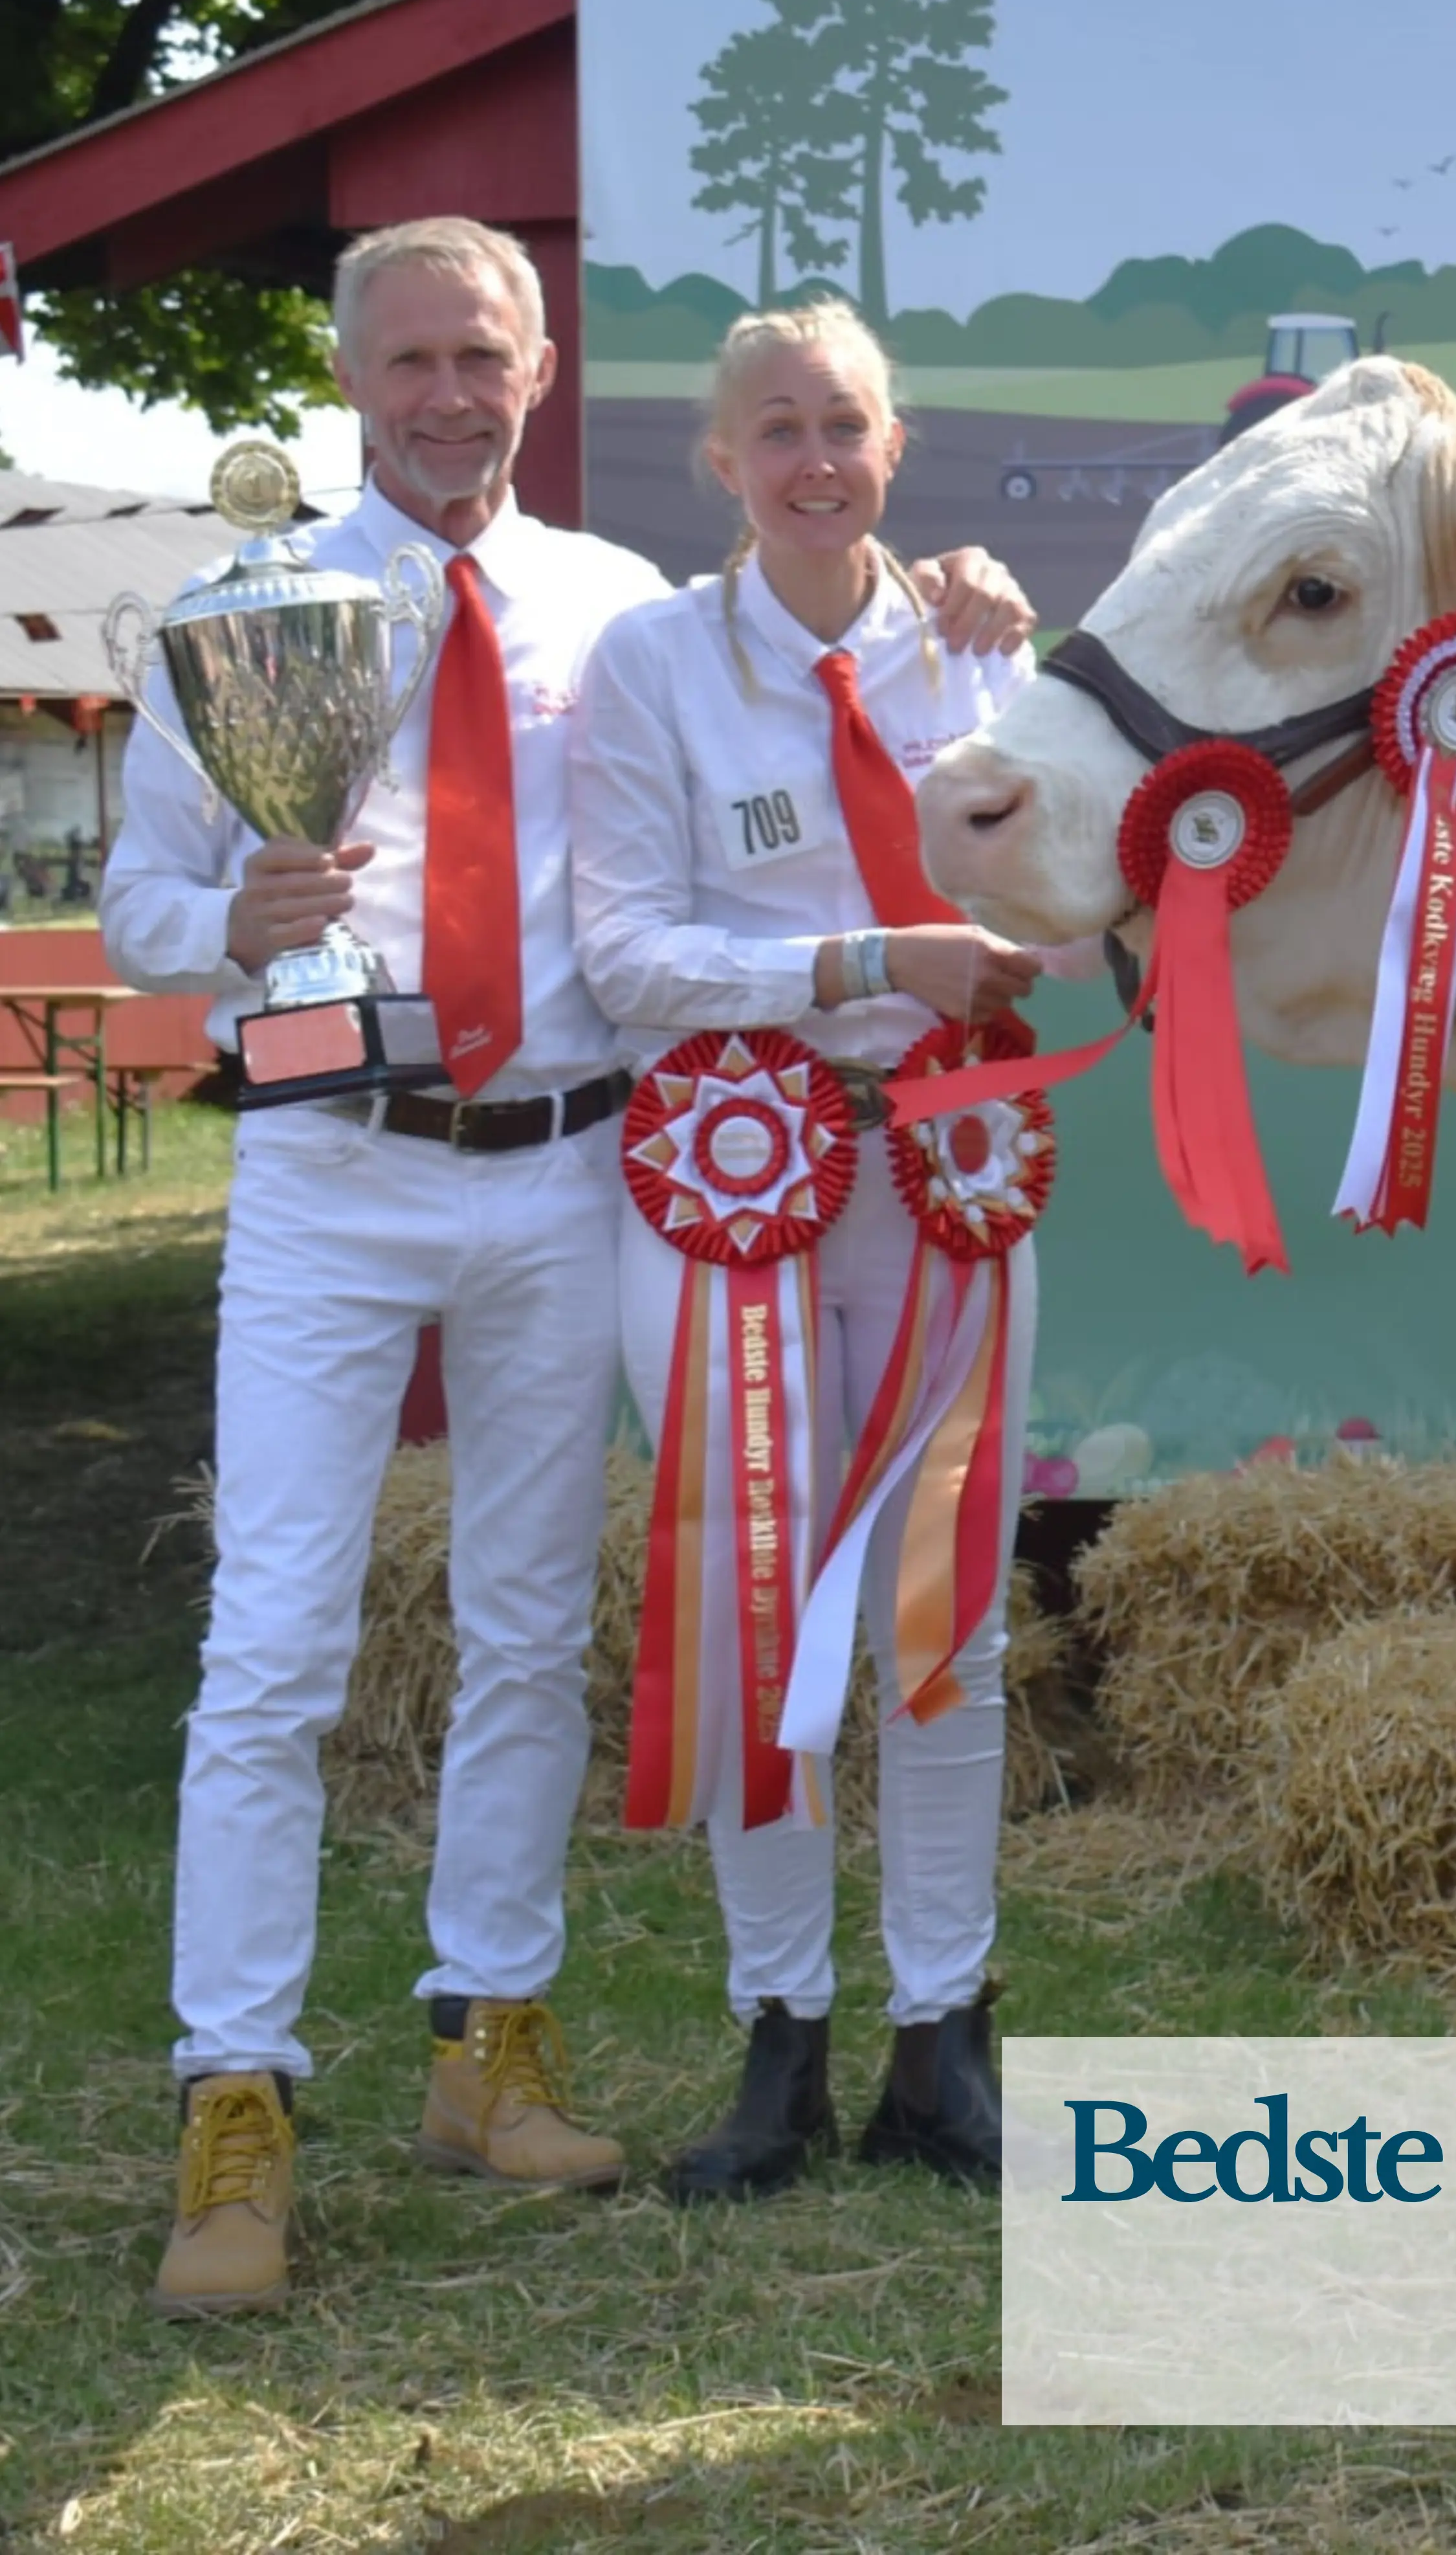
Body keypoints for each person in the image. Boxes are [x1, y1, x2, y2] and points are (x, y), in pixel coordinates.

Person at [104, 220, 1033, 2317]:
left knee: (530, 1627)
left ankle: (487, 2042)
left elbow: (731, 819)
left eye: (485, 357)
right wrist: (227, 921)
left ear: (539, 372)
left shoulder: (623, 615)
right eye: (411, 358)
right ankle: (233, 2100)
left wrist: (977, 608)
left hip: (578, 1166)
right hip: (335, 1165)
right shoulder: (246, 607)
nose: (449, 394)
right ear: (353, 375)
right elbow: (139, 901)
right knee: (274, 1642)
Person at [568, 299, 1053, 2202]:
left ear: (893, 445)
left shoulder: (984, 657)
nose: (813, 458)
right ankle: (781, 2038)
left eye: (843, 422)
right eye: (775, 428)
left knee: (949, 1623)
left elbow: (1064, 914)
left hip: (948, 1189)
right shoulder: (651, 668)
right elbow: (628, 958)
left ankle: (945, 2036)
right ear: (723, 465)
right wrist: (865, 966)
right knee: (753, 1610)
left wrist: (1011, 946)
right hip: (725, 1191)